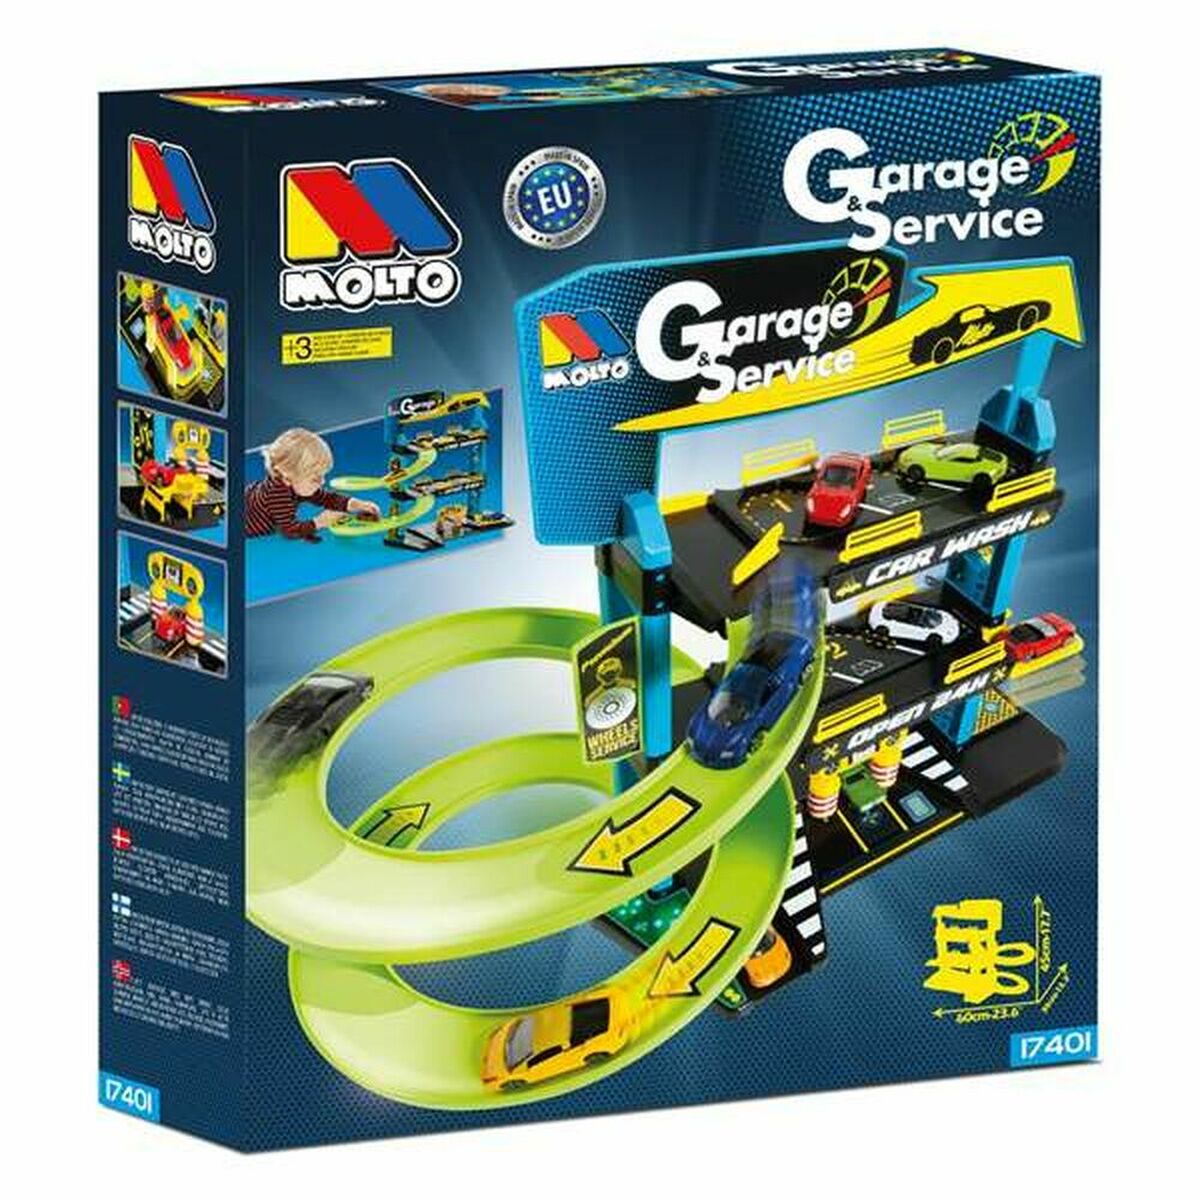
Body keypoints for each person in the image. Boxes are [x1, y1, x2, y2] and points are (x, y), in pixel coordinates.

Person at [245, 428, 379, 540]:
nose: (322, 482)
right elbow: (290, 531)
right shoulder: (277, 496)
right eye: (315, 478)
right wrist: (319, 522)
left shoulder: (294, 482)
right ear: (288, 476)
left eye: (322, 476)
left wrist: (355, 504)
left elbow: (326, 498)